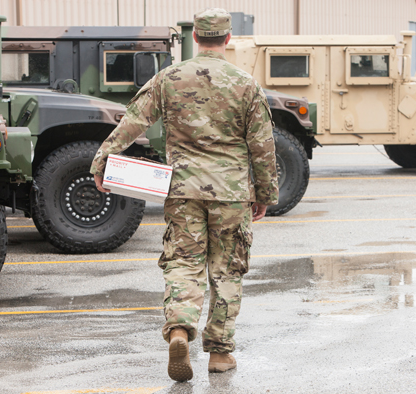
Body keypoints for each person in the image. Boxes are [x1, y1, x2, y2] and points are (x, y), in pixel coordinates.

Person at [90, 7, 278, 382]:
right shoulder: (245, 84)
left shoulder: (169, 78)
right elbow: (262, 144)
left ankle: (179, 328)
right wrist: (265, 193)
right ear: (227, 39)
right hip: (231, 192)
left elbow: (134, 119)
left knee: (183, 262)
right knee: (227, 269)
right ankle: (220, 353)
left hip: (183, 190)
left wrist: (103, 160)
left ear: (195, 37)